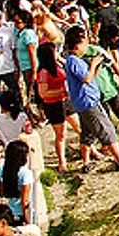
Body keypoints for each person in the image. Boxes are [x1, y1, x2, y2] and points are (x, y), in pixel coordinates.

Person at [63, 26, 119, 172]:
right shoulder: (73, 61)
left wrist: (97, 65)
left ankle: (86, 162)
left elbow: (90, 77)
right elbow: (86, 78)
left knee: (87, 134)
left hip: (85, 102)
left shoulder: (75, 60)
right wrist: (94, 64)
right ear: (78, 44)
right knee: (107, 130)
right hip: (88, 102)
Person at [35, 41, 82, 173]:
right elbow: (43, 93)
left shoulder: (58, 65)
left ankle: (91, 150)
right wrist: (62, 92)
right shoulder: (44, 72)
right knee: (61, 134)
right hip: (53, 104)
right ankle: (62, 161)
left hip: (65, 102)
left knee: (78, 127)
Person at [12, 8, 40, 122]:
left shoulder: (28, 33)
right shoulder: (19, 33)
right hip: (23, 66)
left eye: (18, 22)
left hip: (29, 66)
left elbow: (32, 53)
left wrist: (34, 70)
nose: (16, 24)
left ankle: (38, 116)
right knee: (26, 92)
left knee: (31, 93)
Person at [0, 139, 34, 225]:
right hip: (19, 215)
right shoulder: (25, 173)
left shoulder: (2, 170)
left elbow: (1, 193)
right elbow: (24, 201)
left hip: (6, 213)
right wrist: (27, 220)